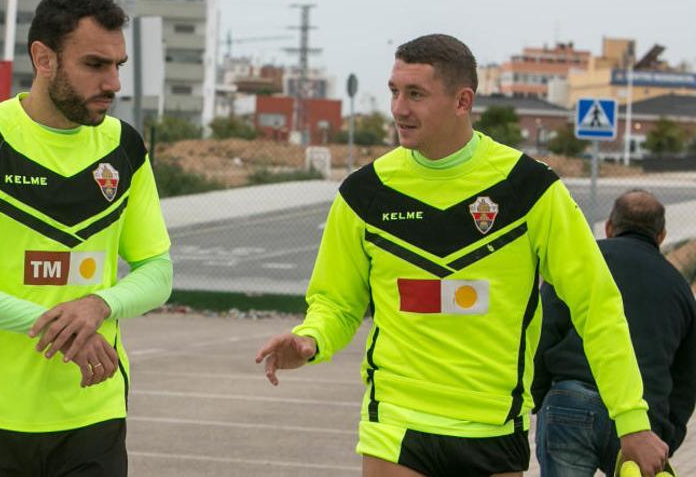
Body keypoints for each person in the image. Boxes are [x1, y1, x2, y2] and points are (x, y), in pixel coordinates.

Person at [255, 34, 669, 477]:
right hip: (396, 423)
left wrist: (632, 422)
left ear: (462, 101)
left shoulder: (529, 189)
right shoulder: (364, 194)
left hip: (493, 427)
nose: (399, 108)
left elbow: (597, 306)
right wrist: (311, 339)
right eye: (394, 91)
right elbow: (336, 302)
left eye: (416, 94)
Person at [0, 0, 172, 476]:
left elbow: (158, 271)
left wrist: (100, 305)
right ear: (43, 58)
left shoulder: (125, 146)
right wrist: (55, 325)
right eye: (95, 64)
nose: (112, 82)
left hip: (96, 409)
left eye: (119, 65)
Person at [534, 189, 696, 476]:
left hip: (572, 400)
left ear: (609, 227)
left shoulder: (581, 265)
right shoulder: (680, 288)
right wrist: (664, 437)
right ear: (661, 236)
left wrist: (538, 397)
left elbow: (543, 331)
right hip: (643, 417)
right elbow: (686, 378)